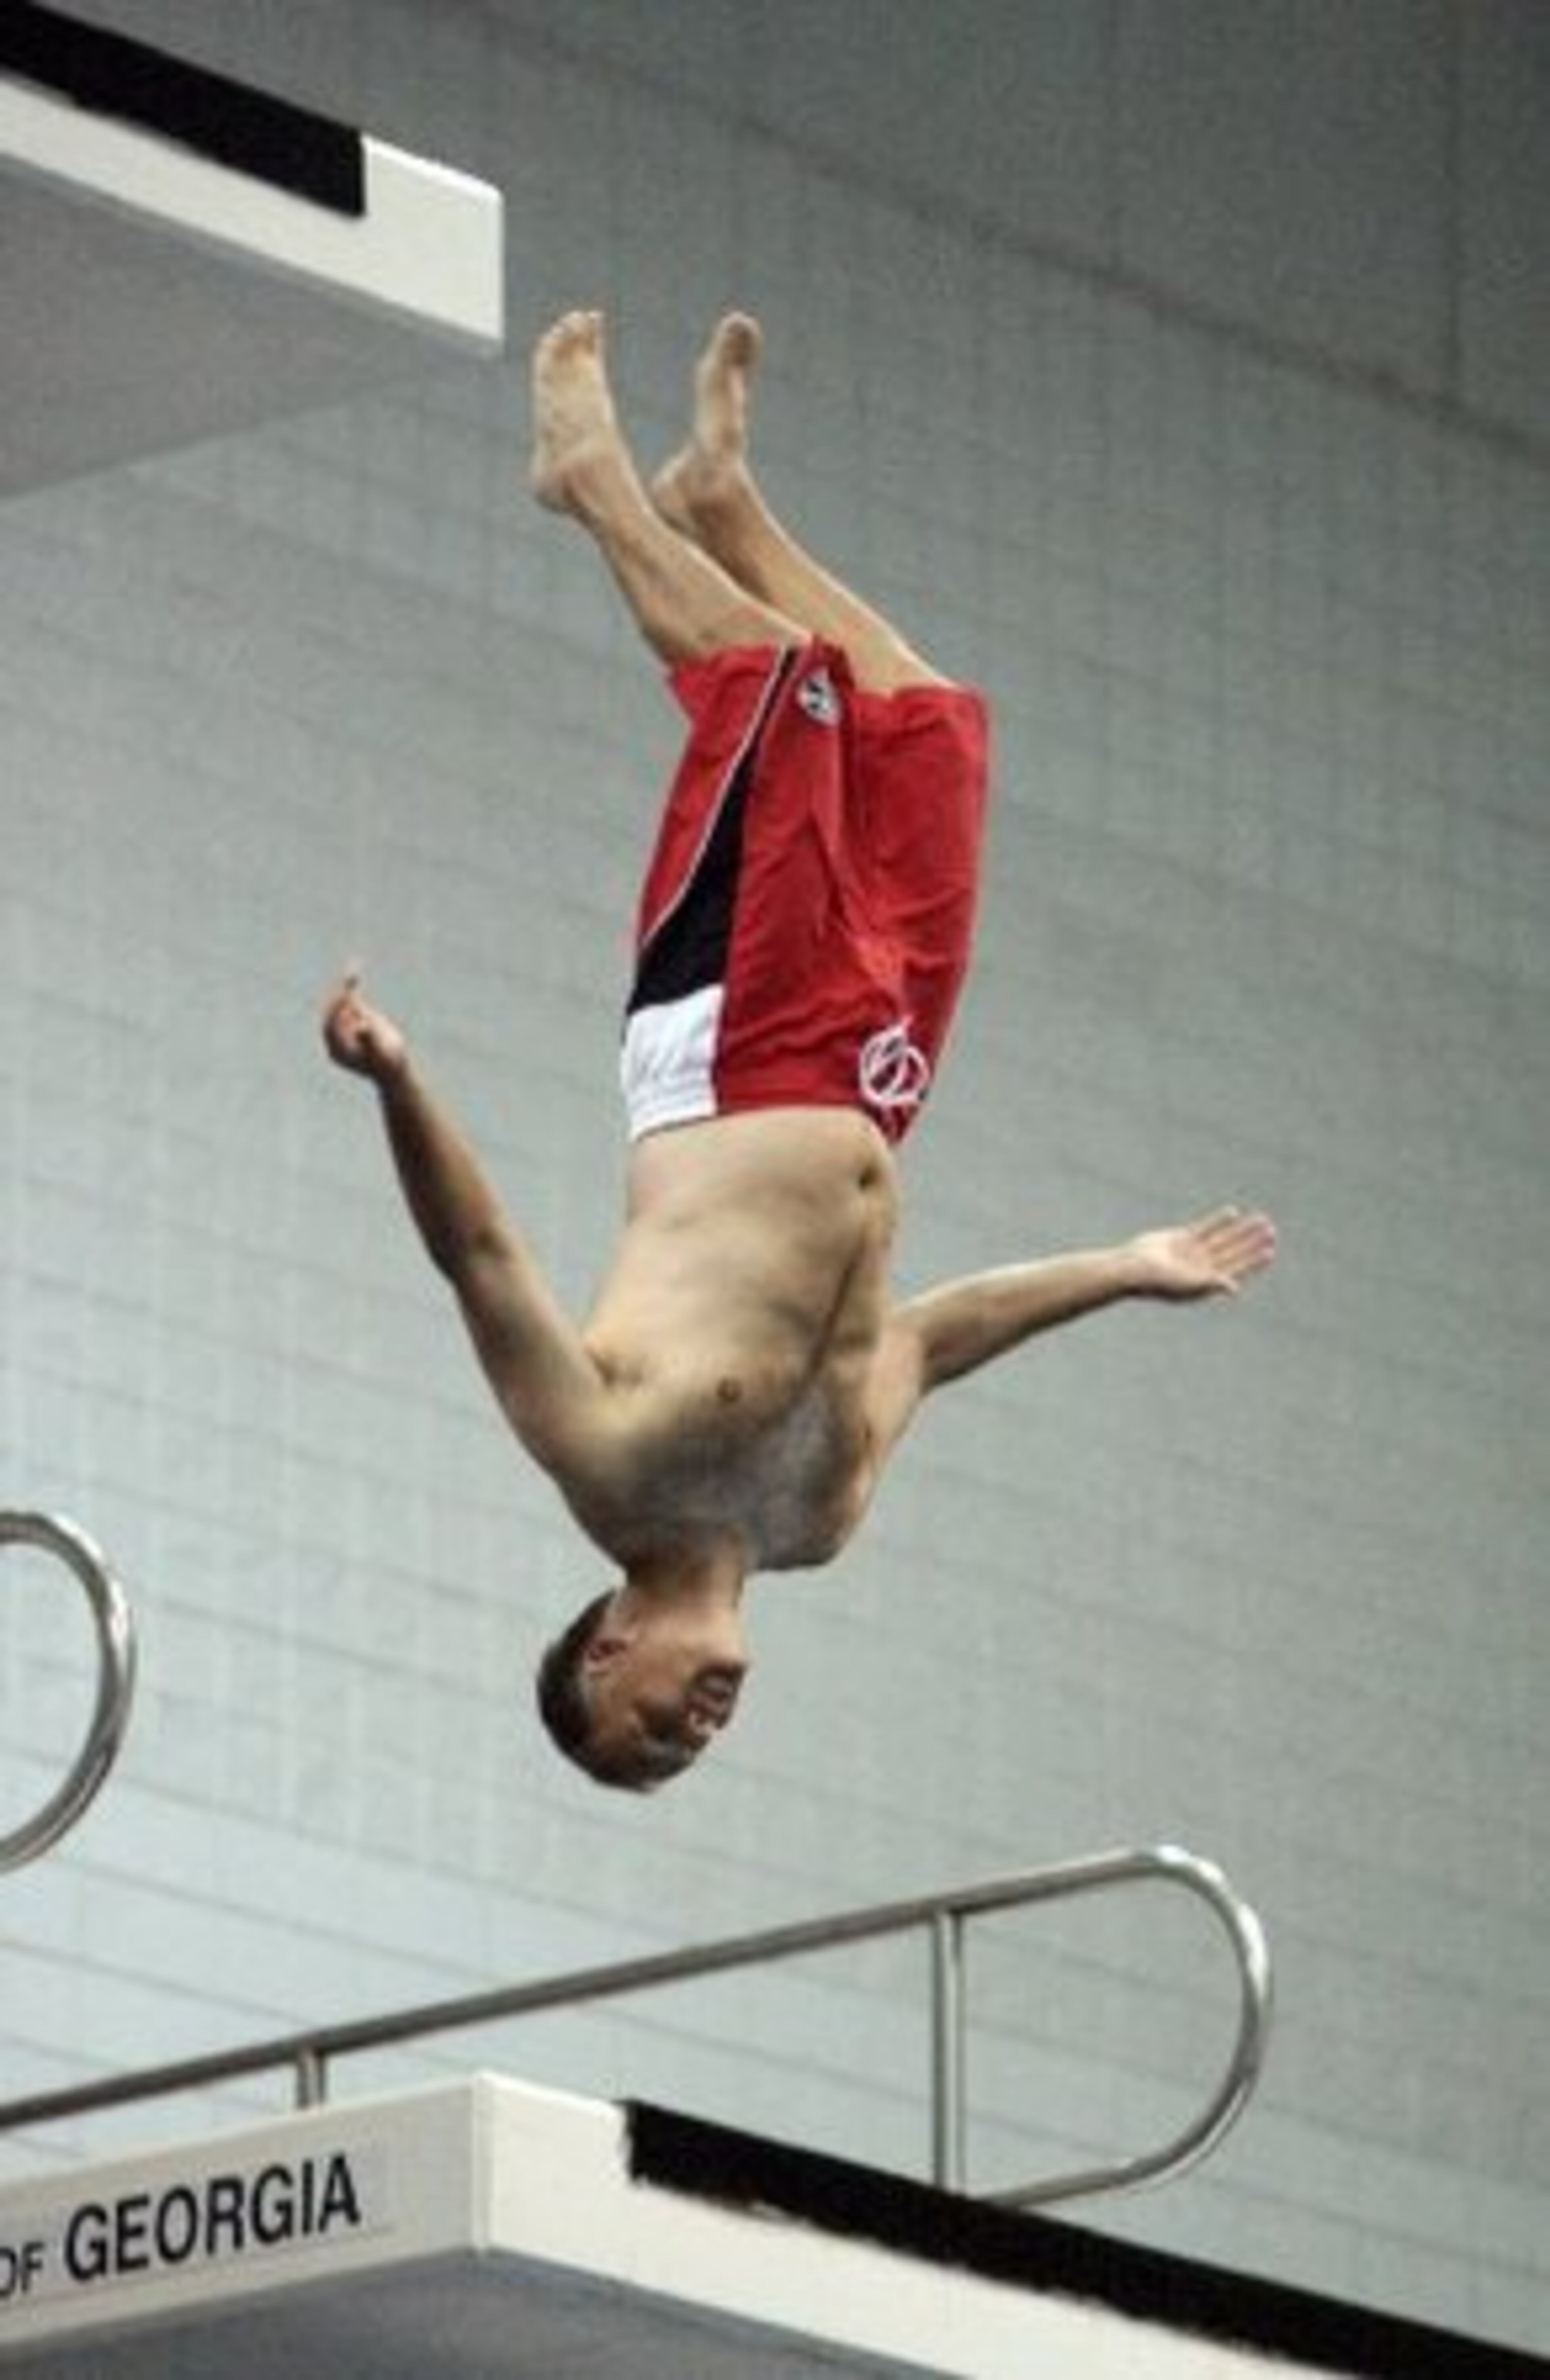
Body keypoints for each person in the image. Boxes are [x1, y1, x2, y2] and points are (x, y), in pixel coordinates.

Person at [323, 309, 1276, 1793]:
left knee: (781, 687)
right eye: (691, 1752)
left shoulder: (603, 1463)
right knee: (927, 732)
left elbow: (482, 1258)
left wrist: (398, 1081)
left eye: (650, 1727)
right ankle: (720, 501)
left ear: (605, 1653)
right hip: (877, 1080)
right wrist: (1126, 1265)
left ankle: (592, 486)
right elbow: (924, 1342)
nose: (696, 1728)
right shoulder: (821, 1519)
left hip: (728, 1056)